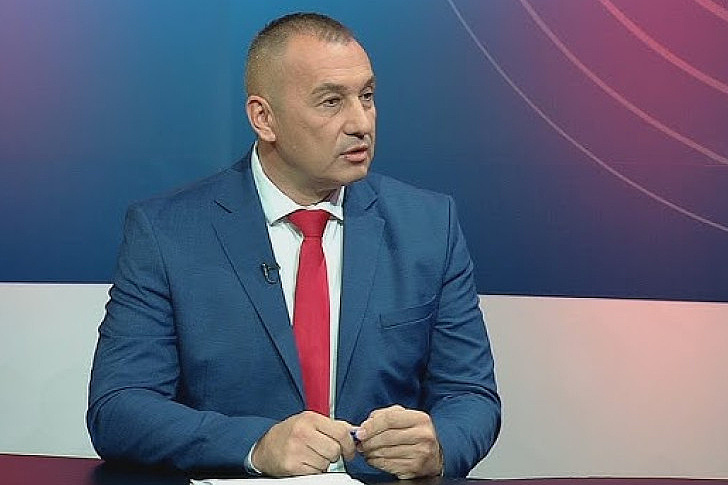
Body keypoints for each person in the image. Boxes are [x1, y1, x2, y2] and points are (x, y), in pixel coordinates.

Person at [87, 12, 500, 480]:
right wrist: (255, 445)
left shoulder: (429, 225)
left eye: (367, 96)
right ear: (264, 118)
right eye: (331, 101)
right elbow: (119, 408)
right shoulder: (167, 233)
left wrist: (438, 445)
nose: (360, 122)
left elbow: (471, 396)